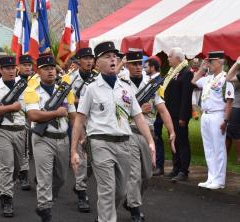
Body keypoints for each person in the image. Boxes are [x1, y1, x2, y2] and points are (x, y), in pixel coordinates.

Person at [71, 41, 155, 222]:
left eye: (115, 57)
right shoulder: (91, 89)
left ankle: (104, 216)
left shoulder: (125, 88)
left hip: (124, 143)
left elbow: (139, 117)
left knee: (122, 190)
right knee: (107, 189)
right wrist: (73, 151)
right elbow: (79, 119)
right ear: (97, 62)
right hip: (100, 142)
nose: (112, 60)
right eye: (107, 57)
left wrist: (150, 141)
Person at [124, 50, 176, 221]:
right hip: (129, 131)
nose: (139, 67)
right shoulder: (120, 85)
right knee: (133, 173)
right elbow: (117, 113)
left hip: (148, 134)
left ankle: (131, 200)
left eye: (141, 63)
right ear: (127, 65)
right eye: (134, 64)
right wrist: (137, 108)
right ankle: (135, 208)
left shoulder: (152, 84)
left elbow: (162, 108)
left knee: (146, 174)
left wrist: (172, 131)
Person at [24, 55, 76, 222]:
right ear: (38, 71)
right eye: (46, 68)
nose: (50, 71)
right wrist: (55, 113)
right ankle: (44, 208)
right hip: (43, 138)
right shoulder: (31, 91)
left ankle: (46, 200)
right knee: (44, 176)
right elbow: (33, 115)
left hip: (63, 138)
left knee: (61, 178)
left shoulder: (65, 89)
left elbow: (74, 114)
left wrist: (79, 136)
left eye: (52, 68)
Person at [0, 56, 27, 217]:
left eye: (12, 68)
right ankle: (8, 198)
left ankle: (3, 190)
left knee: (17, 166)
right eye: (7, 68)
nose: (10, 71)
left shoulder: (24, 86)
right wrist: (11, 107)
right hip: (2, 130)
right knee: (7, 165)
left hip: (20, 130)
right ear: (0, 70)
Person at [192, 51, 234, 189]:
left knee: (219, 148)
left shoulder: (226, 78)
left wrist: (226, 120)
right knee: (209, 148)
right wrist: (202, 68)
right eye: (208, 61)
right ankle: (211, 177)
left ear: (221, 61)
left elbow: (229, 102)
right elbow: (193, 81)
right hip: (206, 115)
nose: (209, 63)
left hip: (218, 115)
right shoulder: (208, 78)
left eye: (211, 61)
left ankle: (219, 180)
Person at [63, 47, 97, 213]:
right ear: (79, 60)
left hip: (96, 122)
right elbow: (65, 100)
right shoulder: (69, 78)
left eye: (91, 58)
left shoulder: (98, 78)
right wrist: (82, 100)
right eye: (86, 58)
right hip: (78, 120)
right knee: (82, 158)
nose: (89, 61)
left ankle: (80, 183)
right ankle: (82, 193)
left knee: (94, 160)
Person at [162, 47, 193, 182]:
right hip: (170, 114)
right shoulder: (172, 72)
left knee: (182, 142)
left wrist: (183, 117)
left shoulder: (186, 72)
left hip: (179, 115)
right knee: (173, 141)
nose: (167, 59)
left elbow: (186, 97)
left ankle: (183, 170)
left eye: (169, 56)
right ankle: (176, 167)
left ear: (178, 58)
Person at [17, 54, 34, 190]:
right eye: (25, 65)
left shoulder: (36, 81)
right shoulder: (15, 82)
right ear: (19, 67)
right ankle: (23, 174)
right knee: (24, 150)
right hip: (21, 120)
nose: (28, 67)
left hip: (37, 119)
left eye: (30, 65)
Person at [226, 56, 240, 164]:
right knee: (229, 132)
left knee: (234, 132)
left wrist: (237, 63)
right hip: (235, 105)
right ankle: (224, 155)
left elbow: (228, 77)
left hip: (237, 106)